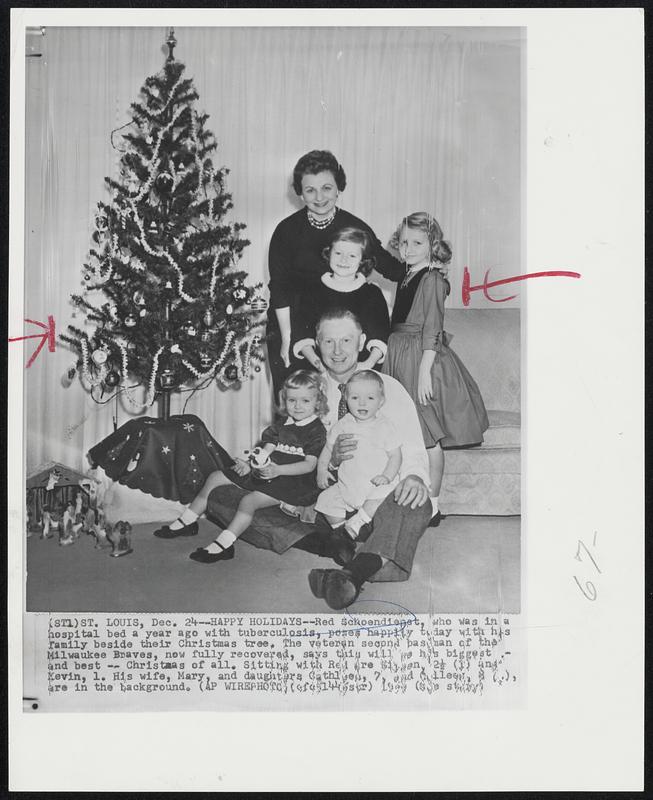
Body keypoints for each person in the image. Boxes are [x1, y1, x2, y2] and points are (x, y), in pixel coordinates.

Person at [299, 309, 432, 611]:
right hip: (340, 496)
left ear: (361, 342)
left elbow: (410, 446)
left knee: (415, 501)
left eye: (346, 340)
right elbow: (300, 451)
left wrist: (413, 476)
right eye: (328, 341)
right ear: (317, 344)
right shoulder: (307, 389)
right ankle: (358, 551)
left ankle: (351, 573)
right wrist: (331, 463)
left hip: (381, 495)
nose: (337, 350)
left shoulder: (389, 389)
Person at [152, 370, 327, 563]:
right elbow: (265, 453)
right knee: (215, 477)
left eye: (305, 401)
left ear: (317, 403)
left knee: (249, 501)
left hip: (293, 481)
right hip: (269, 471)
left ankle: (224, 545)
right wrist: (250, 464)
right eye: (292, 400)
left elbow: (309, 466)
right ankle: (188, 520)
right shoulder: (283, 424)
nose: (298, 406)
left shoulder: (316, 430)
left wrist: (278, 470)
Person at [267, 149, 403, 396]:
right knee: (297, 406)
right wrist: (287, 339)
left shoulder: (355, 229)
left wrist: (429, 270)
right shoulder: (286, 231)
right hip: (293, 326)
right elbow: (279, 286)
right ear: (299, 192)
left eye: (327, 188)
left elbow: (393, 270)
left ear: (339, 188)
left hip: (344, 337)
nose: (319, 197)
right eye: (310, 190)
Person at [382, 212, 489, 524]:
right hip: (399, 352)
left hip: (420, 357)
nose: (409, 248)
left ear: (432, 245)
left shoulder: (431, 279)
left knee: (427, 435)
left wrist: (424, 371)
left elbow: (432, 328)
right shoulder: (408, 276)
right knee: (406, 430)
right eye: (403, 243)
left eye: (417, 242)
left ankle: (434, 504)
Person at [315, 370, 402, 541]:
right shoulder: (343, 424)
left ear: (381, 401)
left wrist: (387, 476)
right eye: (355, 398)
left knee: (385, 494)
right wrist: (322, 470)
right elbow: (327, 448)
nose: (362, 403)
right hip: (347, 484)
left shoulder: (385, 426)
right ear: (346, 399)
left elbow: (395, 456)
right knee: (325, 499)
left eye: (370, 398)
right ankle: (341, 532)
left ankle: (356, 523)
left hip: (375, 486)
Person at [293, 226, 391, 372]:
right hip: (319, 369)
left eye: (352, 256)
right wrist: (319, 366)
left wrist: (366, 366)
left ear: (362, 260)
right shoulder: (312, 291)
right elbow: (302, 333)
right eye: (338, 253)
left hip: (360, 371)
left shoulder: (372, 294)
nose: (344, 260)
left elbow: (380, 335)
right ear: (328, 254)